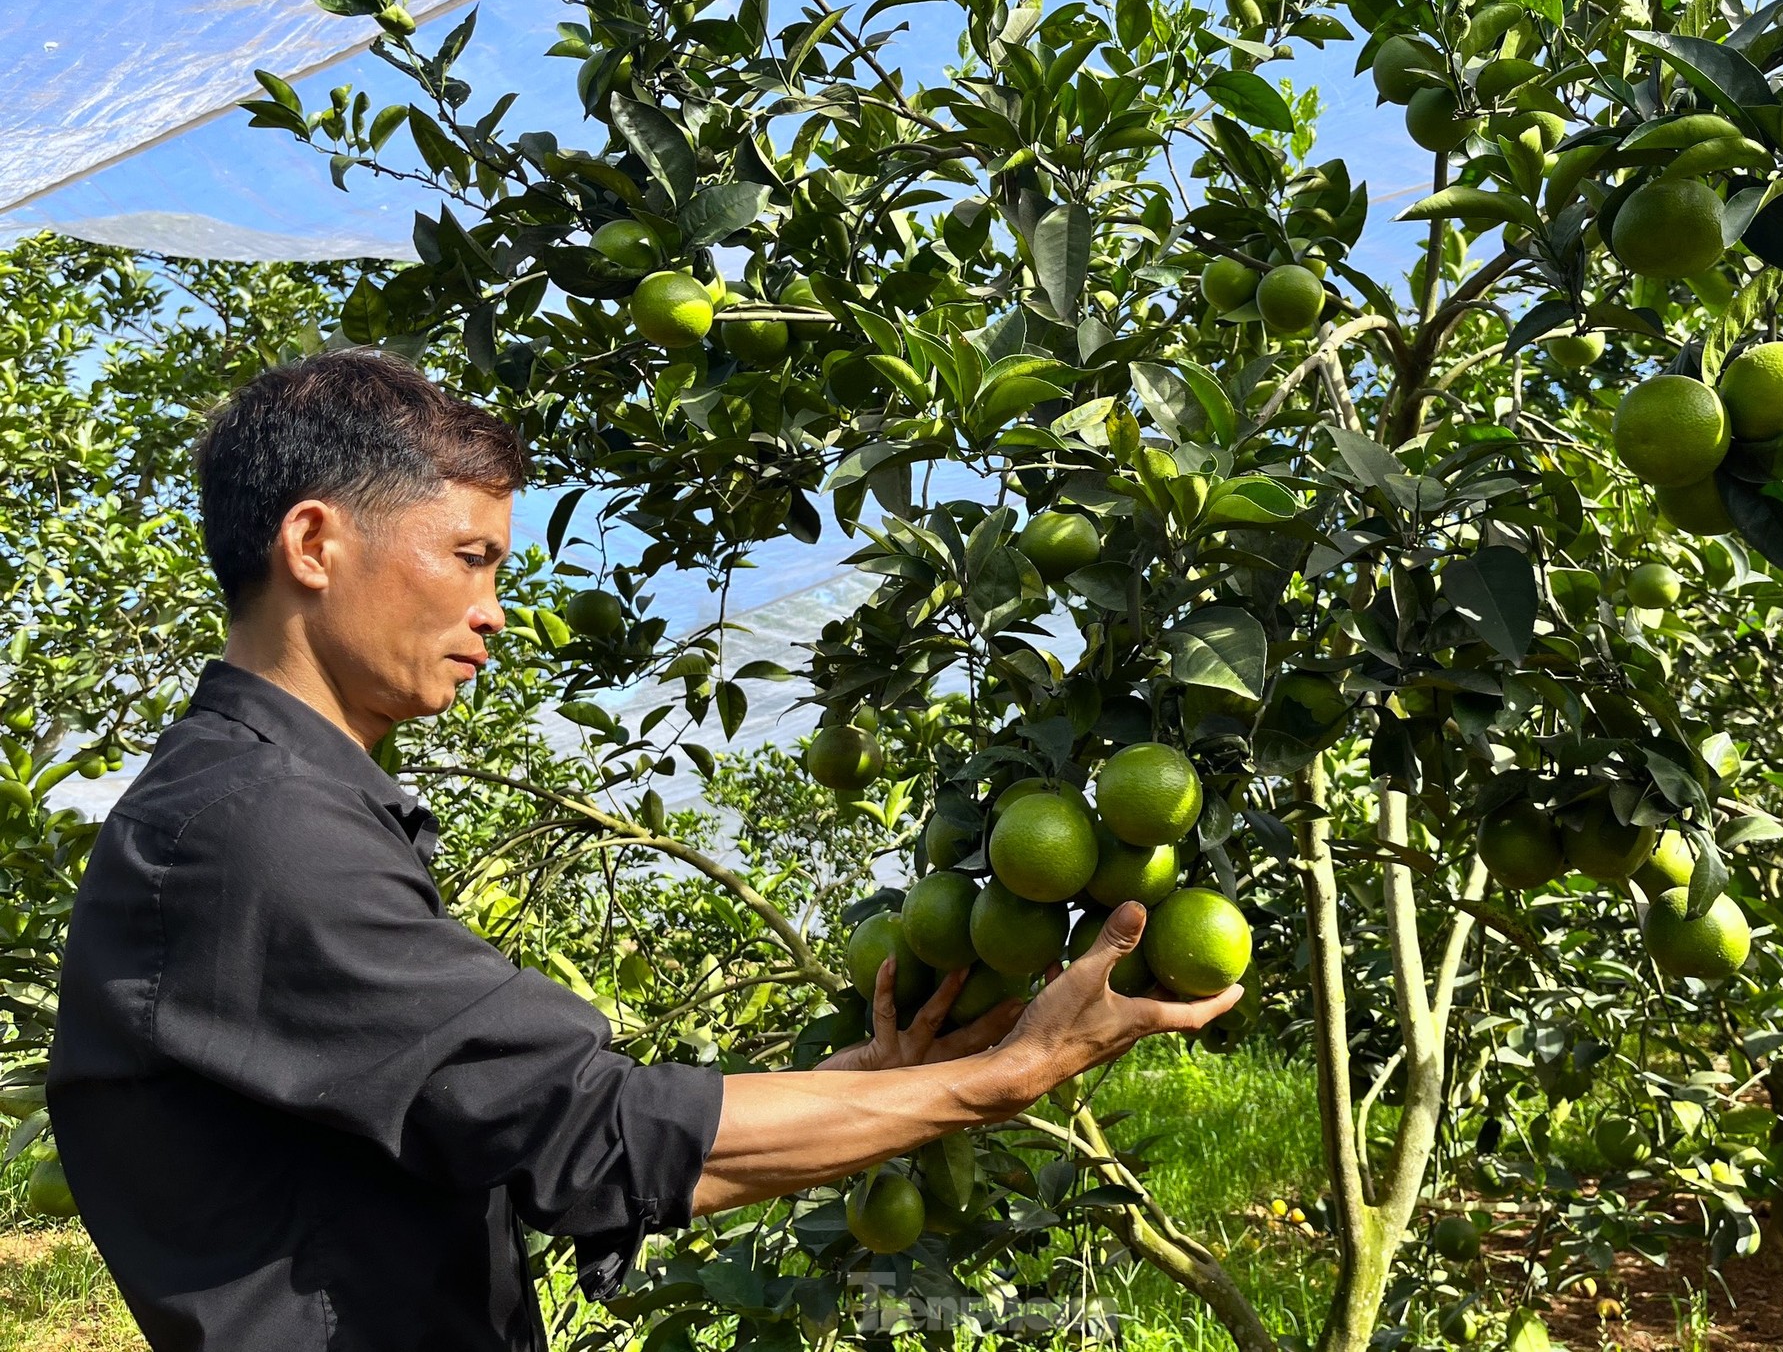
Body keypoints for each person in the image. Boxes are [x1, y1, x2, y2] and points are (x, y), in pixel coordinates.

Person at [48, 347, 1244, 1351]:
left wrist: (881, 1091)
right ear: (314, 543)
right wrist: (1004, 1077)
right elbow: (596, 1133)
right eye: (471, 557)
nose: (494, 610)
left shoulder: (279, 808)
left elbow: (534, 1140)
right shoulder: (251, 836)